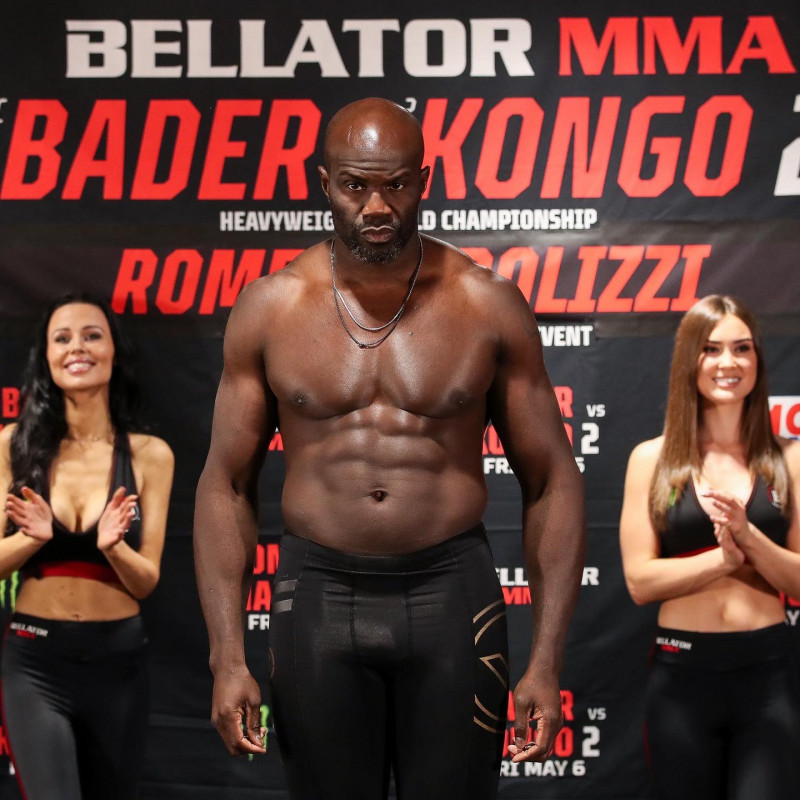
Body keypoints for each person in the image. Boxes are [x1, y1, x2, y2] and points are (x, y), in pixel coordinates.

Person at [194, 97, 585, 800]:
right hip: (318, 597)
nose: (377, 206)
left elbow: (552, 479)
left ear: (424, 180)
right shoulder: (271, 307)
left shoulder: (486, 303)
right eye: (355, 185)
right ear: (324, 182)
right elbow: (225, 484)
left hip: (452, 596)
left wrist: (548, 660)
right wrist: (227, 657)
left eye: (396, 184)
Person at [619, 295, 800, 800]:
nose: (728, 362)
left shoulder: (790, 459)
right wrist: (723, 559)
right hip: (682, 674)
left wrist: (749, 537)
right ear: (689, 360)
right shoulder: (651, 460)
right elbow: (639, 581)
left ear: (757, 359)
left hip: (768, 672)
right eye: (712, 349)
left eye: (742, 348)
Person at [0, 294, 174, 800]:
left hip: (118, 663)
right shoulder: (13, 444)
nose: (77, 347)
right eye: (62, 338)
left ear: (114, 351)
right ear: (48, 357)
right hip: (35, 663)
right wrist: (31, 539)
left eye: (92, 335)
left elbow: (146, 581)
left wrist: (115, 548)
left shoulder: (149, 454)